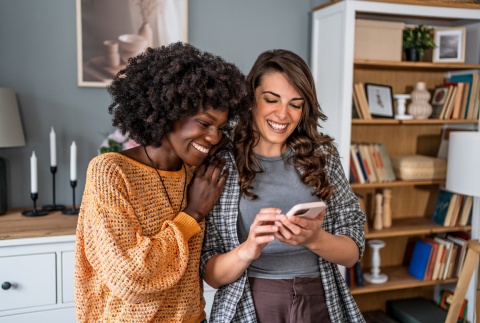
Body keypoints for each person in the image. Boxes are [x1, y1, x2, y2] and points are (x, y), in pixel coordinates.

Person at [74, 42, 250, 323]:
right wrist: (193, 214)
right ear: (168, 111)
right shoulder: (111, 172)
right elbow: (129, 278)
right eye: (204, 123)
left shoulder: (199, 174)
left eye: (220, 128)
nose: (214, 137)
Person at [200, 49, 366, 322]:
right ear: (251, 99)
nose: (283, 114)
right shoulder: (221, 164)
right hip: (249, 302)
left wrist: (314, 238)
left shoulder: (323, 159)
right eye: (271, 100)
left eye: (295, 104)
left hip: (320, 299)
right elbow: (211, 274)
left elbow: (352, 253)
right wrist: (249, 248)